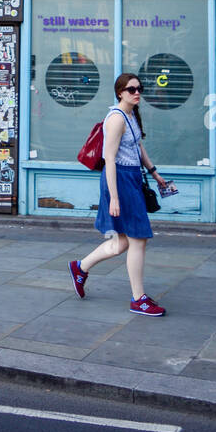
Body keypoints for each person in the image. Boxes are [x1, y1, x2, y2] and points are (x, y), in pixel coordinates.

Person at [69, 72, 171, 315]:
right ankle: (138, 299)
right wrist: (114, 197)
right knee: (138, 238)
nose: (137, 93)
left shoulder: (131, 114)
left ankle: (80, 267)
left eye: (139, 89)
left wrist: (154, 173)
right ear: (120, 92)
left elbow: (138, 146)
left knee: (122, 242)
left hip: (132, 178)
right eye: (131, 89)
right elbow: (110, 159)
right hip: (120, 181)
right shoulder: (115, 118)